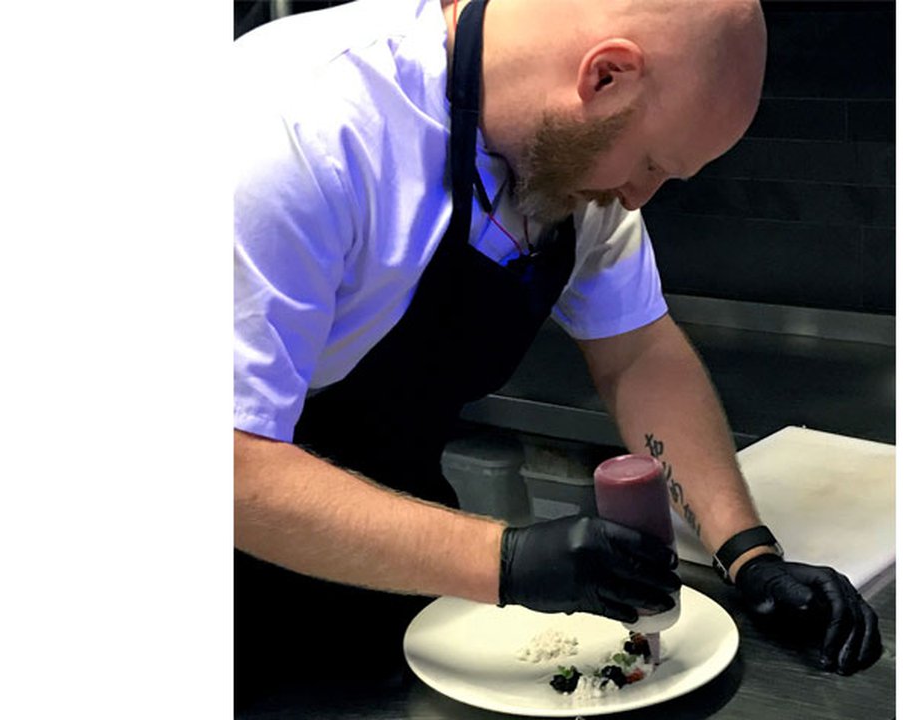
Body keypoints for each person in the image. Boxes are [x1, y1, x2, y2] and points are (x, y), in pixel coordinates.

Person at [233, 0, 882, 697]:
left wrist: (748, 554)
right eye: (653, 163)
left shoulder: (569, 168)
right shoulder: (292, 131)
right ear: (605, 75)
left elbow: (638, 354)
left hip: (390, 557)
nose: (639, 198)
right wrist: (506, 561)